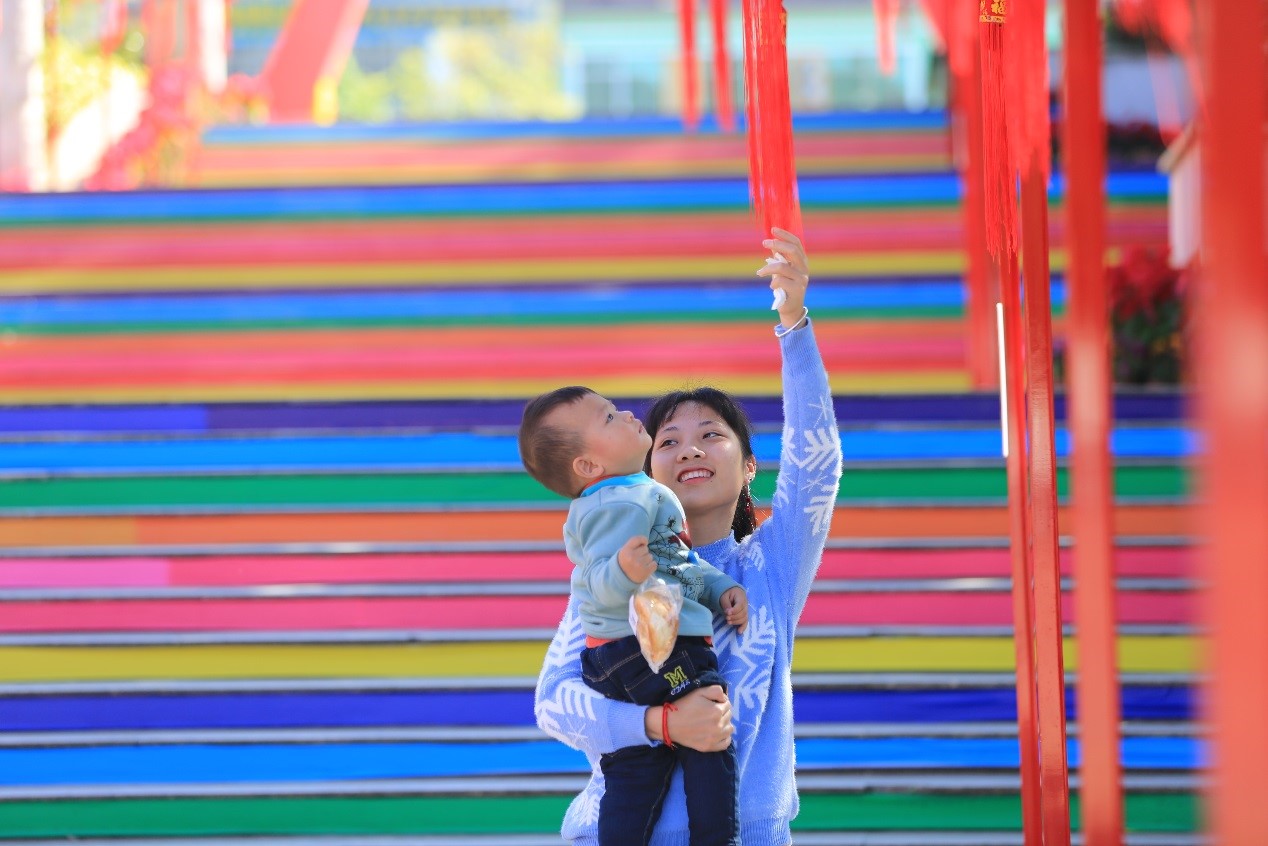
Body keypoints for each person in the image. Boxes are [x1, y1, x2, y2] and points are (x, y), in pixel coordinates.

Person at [535, 227, 843, 846]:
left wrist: (794, 325)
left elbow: (817, 467)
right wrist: (662, 723)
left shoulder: (772, 567)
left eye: (712, 435)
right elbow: (555, 703)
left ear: (749, 467)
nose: (690, 450)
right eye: (669, 440)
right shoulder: (617, 568)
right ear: (646, 474)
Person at [518, 385, 750, 846]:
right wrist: (623, 572)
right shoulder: (617, 503)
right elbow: (596, 582)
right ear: (589, 466)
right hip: (653, 647)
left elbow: (677, 560)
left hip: (616, 658)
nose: (625, 413)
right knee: (709, 735)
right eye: (608, 417)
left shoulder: (631, 495)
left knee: (633, 765)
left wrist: (720, 587)